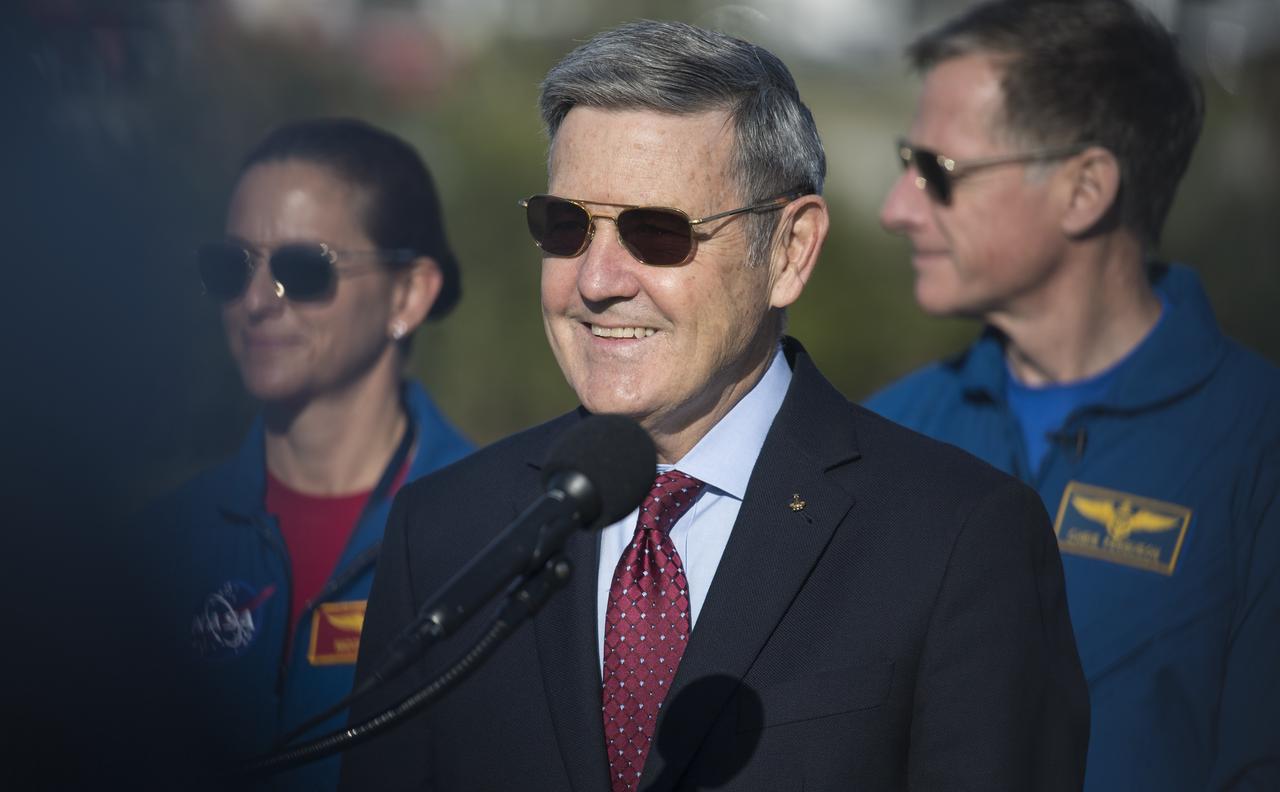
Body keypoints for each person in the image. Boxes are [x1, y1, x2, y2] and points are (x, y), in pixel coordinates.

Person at [339, 21, 1088, 791]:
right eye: (565, 227)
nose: (596, 280)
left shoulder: (957, 541)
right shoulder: (444, 534)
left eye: (656, 232)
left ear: (791, 251)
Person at [866, 1, 1280, 789]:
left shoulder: (1259, 448)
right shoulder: (887, 433)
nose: (898, 208)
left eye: (936, 172)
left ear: (1085, 188)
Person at [142, 118, 474, 790]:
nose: (258, 302)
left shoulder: (494, 536)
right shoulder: (159, 545)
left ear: (408, 294)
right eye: (230, 268)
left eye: (303, 269)